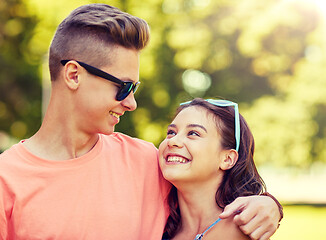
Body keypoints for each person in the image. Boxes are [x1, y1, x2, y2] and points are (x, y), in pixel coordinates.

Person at [0, 4, 282, 240]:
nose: (131, 103)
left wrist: (269, 205)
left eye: (135, 89)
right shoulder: (6, 180)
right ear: (74, 75)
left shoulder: (148, 161)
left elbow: (213, 190)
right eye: (123, 87)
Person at [159, 98, 282, 240]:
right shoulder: (158, 229)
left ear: (227, 159)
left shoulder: (244, 232)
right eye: (171, 132)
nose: (173, 141)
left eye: (193, 133)